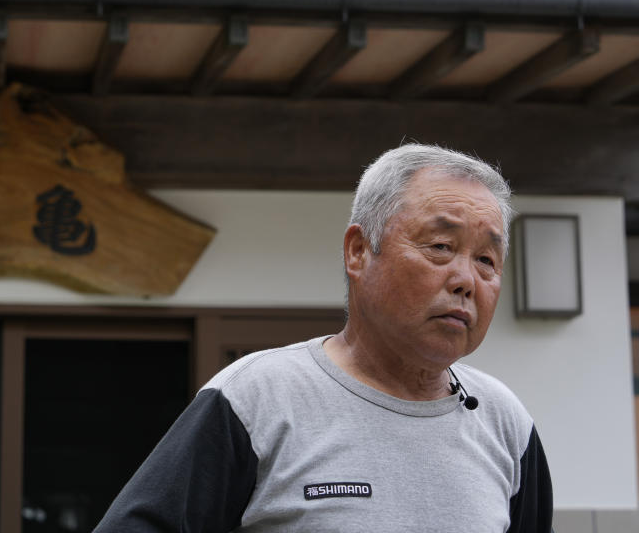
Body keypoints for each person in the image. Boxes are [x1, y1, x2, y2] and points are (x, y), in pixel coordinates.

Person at [92, 144, 553, 533]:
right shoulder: (259, 398)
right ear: (358, 251)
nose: (465, 280)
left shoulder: (505, 423)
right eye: (440, 247)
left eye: (487, 260)